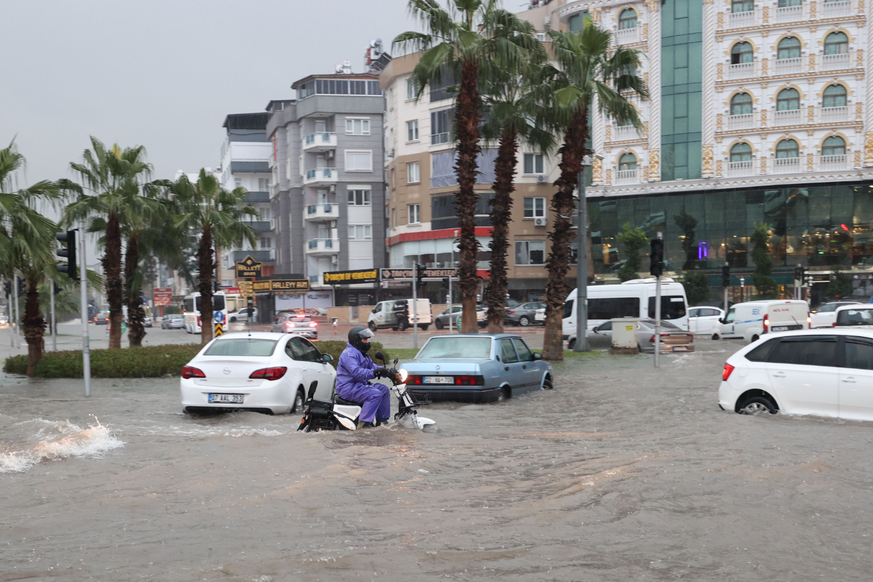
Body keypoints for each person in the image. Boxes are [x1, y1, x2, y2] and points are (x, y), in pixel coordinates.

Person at [336, 326, 392, 429]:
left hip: (360, 386)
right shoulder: (349, 354)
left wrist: (387, 371)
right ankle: (364, 424)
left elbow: (372, 367)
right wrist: (376, 372)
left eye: (367, 339)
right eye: (365, 339)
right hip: (348, 388)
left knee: (384, 389)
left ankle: (382, 421)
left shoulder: (362, 354)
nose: (367, 342)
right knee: (375, 394)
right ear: (356, 339)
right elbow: (357, 372)